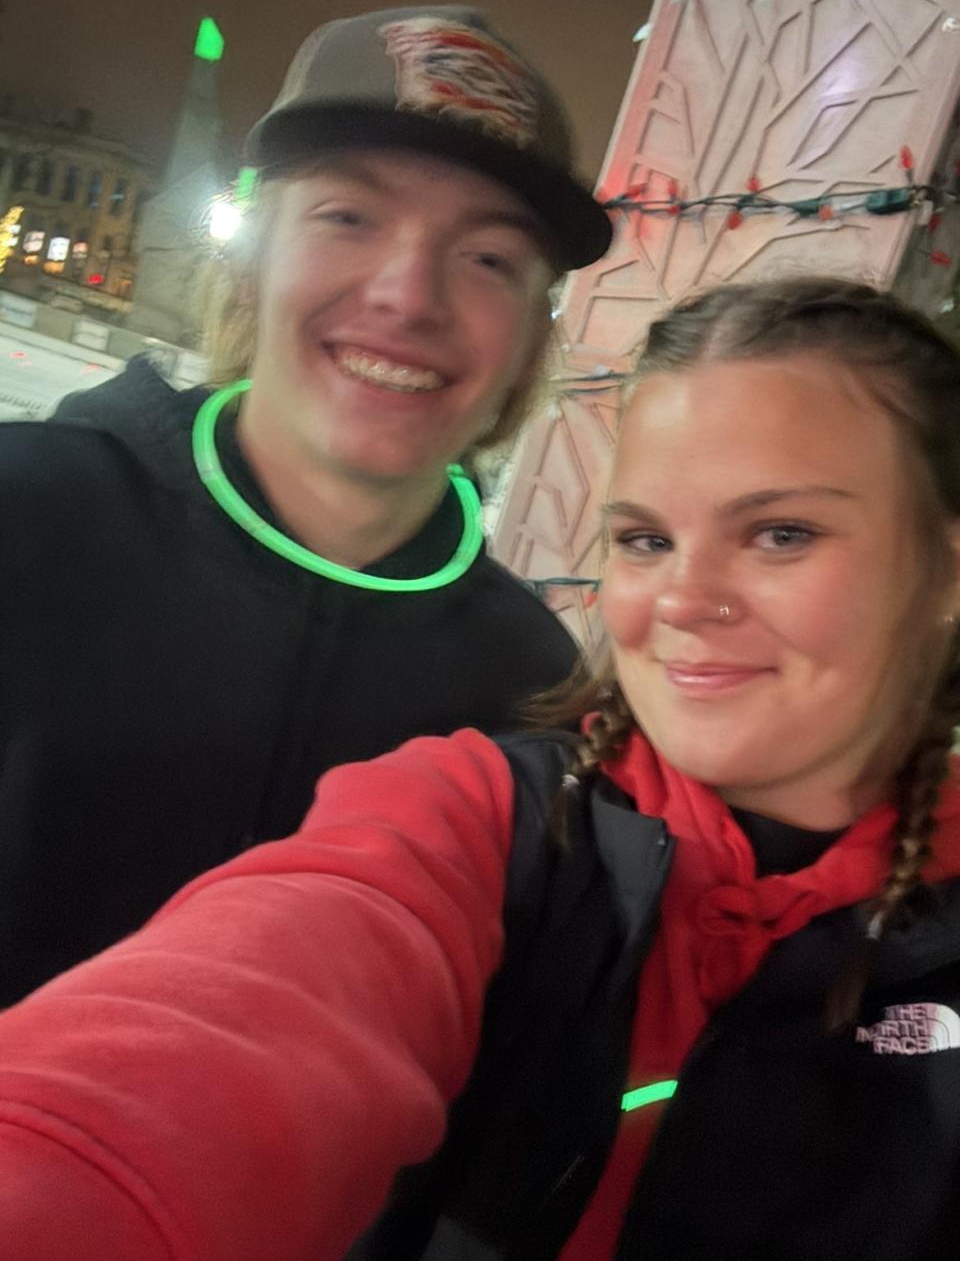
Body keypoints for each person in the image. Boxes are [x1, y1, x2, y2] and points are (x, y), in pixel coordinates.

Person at [2, 276, 960, 1261]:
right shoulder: (479, 818)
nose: (680, 598)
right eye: (645, 539)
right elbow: (237, 1011)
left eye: (781, 533)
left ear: (945, 568)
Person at [0, 6, 612, 1005]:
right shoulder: (25, 517)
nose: (409, 296)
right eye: (348, 217)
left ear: (530, 341)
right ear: (250, 261)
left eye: (490, 258)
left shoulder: (535, 696)